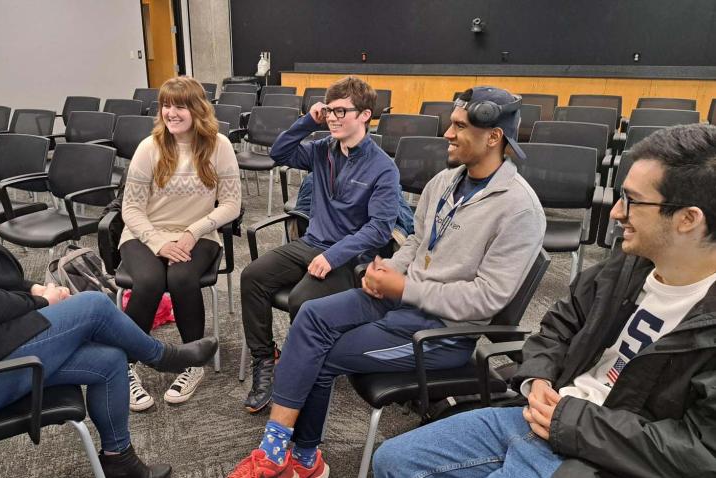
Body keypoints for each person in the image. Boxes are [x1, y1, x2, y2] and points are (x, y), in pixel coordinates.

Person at [0, 120, 219, 478]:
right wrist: (44, 302)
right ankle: (165, 358)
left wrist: (33, 289)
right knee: (94, 306)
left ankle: (120, 461)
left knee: (109, 360)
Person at [229, 86, 546, 478]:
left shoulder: (519, 209)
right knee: (310, 318)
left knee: (321, 354)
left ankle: (306, 460)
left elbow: (486, 300)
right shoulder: (445, 182)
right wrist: (391, 270)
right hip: (401, 298)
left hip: (441, 332)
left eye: (460, 126)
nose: (448, 133)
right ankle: (275, 450)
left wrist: (404, 288)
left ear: (494, 137)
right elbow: (416, 240)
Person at [373, 122, 716, 477]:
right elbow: (557, 328)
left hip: (606, 454)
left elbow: (701, 452)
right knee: (393, 461)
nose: (615, 212)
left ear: (687, 219)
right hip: (548, 414)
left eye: (632, 200)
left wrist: (571, 422)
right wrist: (537, 379)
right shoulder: (625, 268)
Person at [240, 76, 401, 413]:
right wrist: (307, 121)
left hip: (349, 258)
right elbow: (279, 151)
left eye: (341, 111)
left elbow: (379, 229)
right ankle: (265, 360)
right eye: (329, 111)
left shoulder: (383, 168)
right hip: (311, 243)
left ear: (364, 115)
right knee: (252, 276)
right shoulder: (322, 149)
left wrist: (333, 255)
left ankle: (299, 374)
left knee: (302, 300)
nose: (333, 117)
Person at [119, 76, 241, 408]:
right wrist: (157, 241)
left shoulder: (220, 146)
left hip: (198, 234)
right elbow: (130, 208)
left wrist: (193, 232)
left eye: (180, 106)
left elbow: (231, 204)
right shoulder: (150, 147)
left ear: (198, 109)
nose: (171, 113)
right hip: (144, 232)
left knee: (182, 278)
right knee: (147, 281)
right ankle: (125, 365)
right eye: (166, 106)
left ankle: (192, 362)